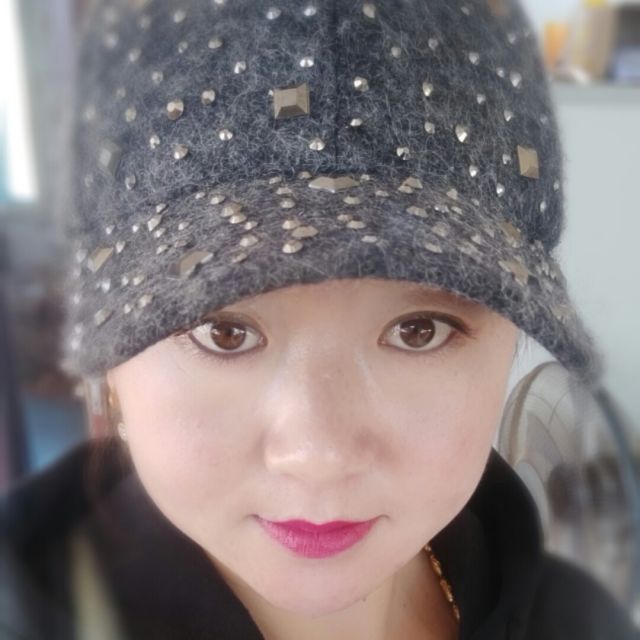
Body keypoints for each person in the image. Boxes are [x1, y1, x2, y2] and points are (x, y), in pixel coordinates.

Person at [0, 0, 637, 638]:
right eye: (225, 332)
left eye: (419, 330)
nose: (320, 455)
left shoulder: (577, 619)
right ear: (113, 366)